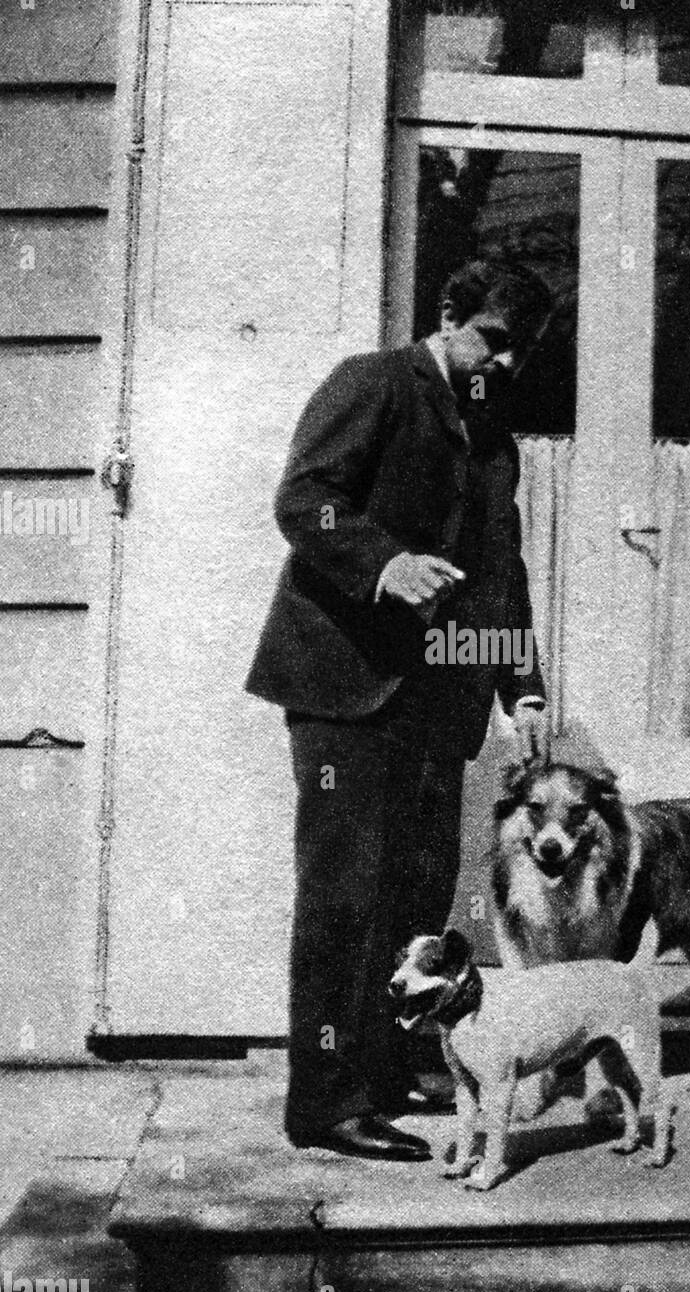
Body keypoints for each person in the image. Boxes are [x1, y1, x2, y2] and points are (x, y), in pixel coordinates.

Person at [246, 259, 552, 1159]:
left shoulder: (496, 440)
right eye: (491, 340)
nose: (501, 364)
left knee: (413, 896)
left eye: (518, 353)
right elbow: (305, 498)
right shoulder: (372, 383)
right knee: (343, 897)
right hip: (347, 688)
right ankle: (326, 1101)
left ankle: (382, 1069)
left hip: (438, 699)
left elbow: (503, 576)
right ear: (449, 314)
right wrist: (382, 563)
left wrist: (521, 684)